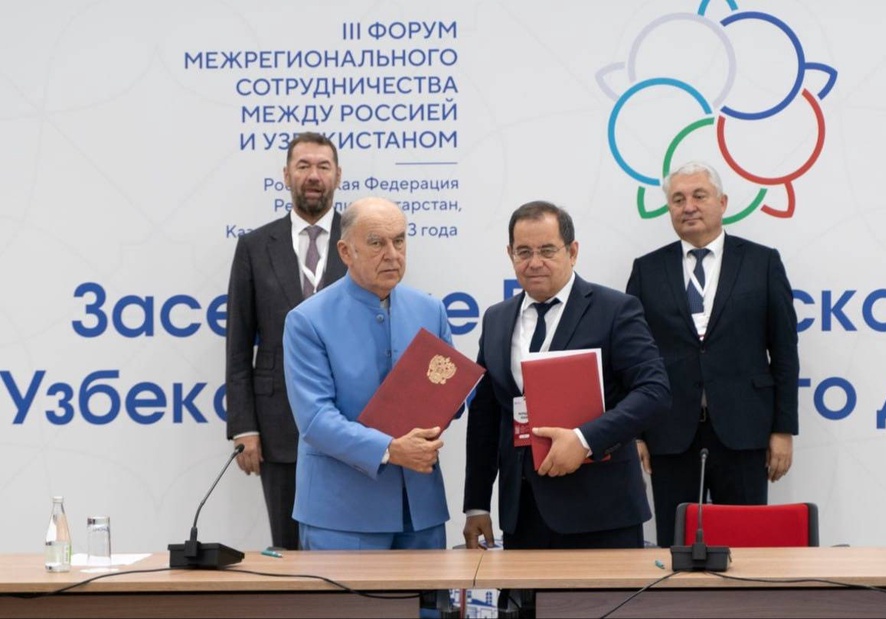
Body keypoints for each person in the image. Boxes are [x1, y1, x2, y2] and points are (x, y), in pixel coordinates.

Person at [463, 201, 671, 556]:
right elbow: (486, 416)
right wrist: (477, 504)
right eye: (524, 252)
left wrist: (585, 439)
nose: (534, 262)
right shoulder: (496, 319)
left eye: (547, 250)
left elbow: (655, 391)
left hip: (601, 513)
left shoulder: (615, 310)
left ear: (572, 252)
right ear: (510, 254)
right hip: (522, 514)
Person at [626, 161, 799, 548]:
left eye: (699, 196)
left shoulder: (762, 263)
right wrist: (635, 434)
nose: (688, 206)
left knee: (747, 547)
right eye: (678, 199)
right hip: (670, 433)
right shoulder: (646, 270)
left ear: (722, 202)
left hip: (744, 431)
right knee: (676, 546)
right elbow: (632, 359)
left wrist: (783, 429)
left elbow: (785, 352)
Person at [282, 196, 454, 550]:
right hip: (342, 515)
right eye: (377, 243)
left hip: (420, 511)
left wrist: (455, 397)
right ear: (345, 252)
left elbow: (451, 390)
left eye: (399, 241)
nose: (392, 254)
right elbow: (315, 420)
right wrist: (390, 449)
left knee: (431, 594)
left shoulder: (431, 310)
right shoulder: (307, 320)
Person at [225, 132, 346, 550]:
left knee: (352, 547)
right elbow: (238, 345)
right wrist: (244, 427)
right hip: (278, 427)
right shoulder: (255, 246)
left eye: (323, 167)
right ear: (286, 175)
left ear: (337, 176)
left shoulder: (361, 242)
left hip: (352, 420)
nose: (313, 176)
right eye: (303, 166)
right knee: (290, 548)